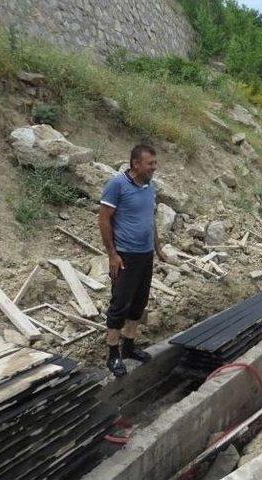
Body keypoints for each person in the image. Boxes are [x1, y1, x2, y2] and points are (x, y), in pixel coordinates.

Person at [98, 144, 167, 377]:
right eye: (150, 164)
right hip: (125, 256)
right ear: (136, 164)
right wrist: (112, 255)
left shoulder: (149, 187)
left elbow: (150, 219)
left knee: (138, 303)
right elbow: (104, 220)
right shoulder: (117, 185)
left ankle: (129, 347)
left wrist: (157, 248)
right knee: (119, 305)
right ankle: (113, 354)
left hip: (145, 254)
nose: (154, 168)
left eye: (155, 163)